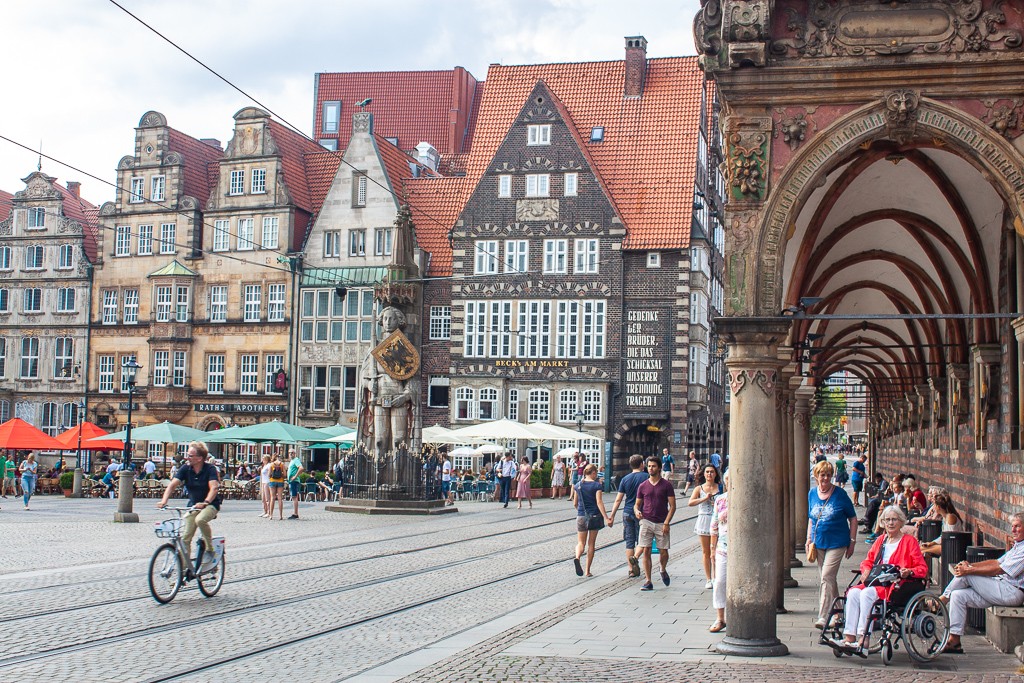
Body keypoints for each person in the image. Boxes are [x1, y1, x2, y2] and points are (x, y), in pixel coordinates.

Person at [831, 506, 927, 654]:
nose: (890, 523)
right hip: (876, 581)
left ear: (901, 522)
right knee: (853, 593)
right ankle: (849, 637)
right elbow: (867, 561)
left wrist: (909, 571)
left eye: (894, 519)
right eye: (887, 520)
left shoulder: (909, 542)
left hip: (896, 585)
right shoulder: (881, 540)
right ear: (882, 522)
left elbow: (922, 568)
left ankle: (864, 638)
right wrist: (865, 571)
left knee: (866, 594)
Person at [940, 512, 1024, 653]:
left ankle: (941, 601)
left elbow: (999, 569)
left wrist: (969, 570)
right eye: (1012, 526)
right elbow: (996, 561)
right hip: (999, 588)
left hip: (1012, 592)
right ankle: (954, 641)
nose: (1013, 530)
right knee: (958, 596)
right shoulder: (1018, 546)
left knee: (966, 576)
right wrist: (971, 566)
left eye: (1018, 526)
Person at [157, 441, 222, 574]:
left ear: (199, 458)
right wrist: (164, 501)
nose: (187, 458)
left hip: (210, 505)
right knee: (186, 537)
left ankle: (210, 549)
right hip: (193, 505)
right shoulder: (185, 469)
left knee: (200, 520)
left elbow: (214, 488)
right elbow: (172, 485)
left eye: (190, 455)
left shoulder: (210, 469)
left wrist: (205, 502)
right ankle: (185, 570)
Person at [807, 459, 858, 629]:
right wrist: (809, 539)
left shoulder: (840, 494)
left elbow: (853, 518)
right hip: (819, 542)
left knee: (826, 577)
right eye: (822, 475)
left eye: (829, 475)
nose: (826, 478)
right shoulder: (812, 494)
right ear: (816, 476)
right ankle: (838, 613)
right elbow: (811, 519)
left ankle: (823, 616)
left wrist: (852, 541)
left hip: (838, 542)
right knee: (829, 579)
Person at [360, 306, 417, 456]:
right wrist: (369, 384)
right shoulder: (376, 347)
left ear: (399, 321)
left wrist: (405, 396)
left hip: (398, 398)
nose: (388, 322)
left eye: (392, 318)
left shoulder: (403, 347)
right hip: (379, 398)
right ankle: (378, 473)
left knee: (399, 441)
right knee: (379, 440)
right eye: (385, 318)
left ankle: (399, 476)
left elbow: (411, 379)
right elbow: (363, 377)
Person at [634, 457, 676, 590]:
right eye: (649, 466)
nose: (650, 468)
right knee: (646, 550)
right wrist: (636, 511)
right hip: (646, 520)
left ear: (659, 468)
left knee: (663, 552)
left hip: (661, 522)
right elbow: (637, 504)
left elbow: (673, 506)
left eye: (653, 466)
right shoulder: (643, 486)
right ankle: (648, 581)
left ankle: (662, 569)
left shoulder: (666, 485)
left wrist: (667, 522)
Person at [609, 454, 649, 578]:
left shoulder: (625, 479)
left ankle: (631, 570)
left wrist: (612, 515)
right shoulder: (647, 477)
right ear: (642, 464)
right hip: (642, 513)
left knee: (629, 542)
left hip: (627, 512)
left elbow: (618, 499)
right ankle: (637, 559)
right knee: (643, 540)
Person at [571, 463, 611, 577]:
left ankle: (577, 557)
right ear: (593, 473)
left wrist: (581, 511)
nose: (596, 476)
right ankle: (588, 571)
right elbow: (599, 502)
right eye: (595, 473)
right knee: (591, 544)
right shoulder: (597, 485)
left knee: (580, 543)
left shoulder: (578, 485)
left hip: (581, 516)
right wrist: (606, 517)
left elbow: (575, 503)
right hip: (594, 517)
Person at [689, 463, 722, 589]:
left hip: (717, 520)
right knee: (706, 551)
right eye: (707, 472)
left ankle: (716, 576)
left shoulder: (720, 487)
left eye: (712, 472)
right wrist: (704, 499)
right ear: (704, 474)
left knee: (717, 551)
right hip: (703, 519)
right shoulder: (699, 489)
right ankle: (708, 579)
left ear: (715, 474)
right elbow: (690, 502)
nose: (709, 474)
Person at [709, 469, 730, 633]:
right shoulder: (720, 500)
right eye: (728, 480)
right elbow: (714, 525)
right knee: (719, 582)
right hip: (723, 548)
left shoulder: (747, 500)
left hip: (743, 549)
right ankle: (720, 617)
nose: (731, 482)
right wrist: (712, 548)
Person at [919, 492, 964, 557]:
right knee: (920, 548)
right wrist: (931, 543)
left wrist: (933, 546)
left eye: (934, 505)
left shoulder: (950, 517)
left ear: (938, 507)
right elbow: (943, 536)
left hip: (952, 546)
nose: (933, 508)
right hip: (946, 544)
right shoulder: (944, 517)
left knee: (923, 551)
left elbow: (949, 536)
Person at [267, 454, 286, 520]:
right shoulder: (282, 464)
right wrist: (281, 475)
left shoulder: (271, 464)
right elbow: (285, 475)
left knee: (272, 498)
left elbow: (269, 475)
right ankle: (280, 516)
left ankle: (271, 515)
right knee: (280, 498)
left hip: (272, 481)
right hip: (280, 481)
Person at [286, 450, 304, 519]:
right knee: (293, 496)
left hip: (294, 481)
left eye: (292, 453)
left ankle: (295, 513)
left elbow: (301, 468)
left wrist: (295, 476)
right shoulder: (292, 461)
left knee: (294, 496)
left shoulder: (296, 460)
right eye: (289, 453)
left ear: (294, 453)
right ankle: (295, 512)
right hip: (291, 481)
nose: (290, 454)